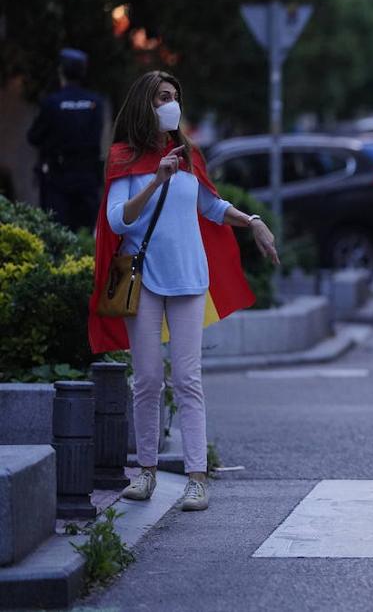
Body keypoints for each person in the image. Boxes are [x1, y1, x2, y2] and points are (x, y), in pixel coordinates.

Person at [88, 71, 278, 512]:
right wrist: (155, 178)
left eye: (175, 97)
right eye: (162, 98)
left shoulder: (189, 155)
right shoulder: (123, 157)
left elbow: (210, 206)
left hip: (190, 278)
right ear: (145, 105)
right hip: (145, 279)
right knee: (149, 380)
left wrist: (252, 221)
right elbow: (118, 220)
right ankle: (148, 472)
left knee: (189, 379)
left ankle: (197, 478)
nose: (171, 105)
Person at [26, 48, 107, 231]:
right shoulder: (95, 102)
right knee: (85, 233)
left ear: (61, 71)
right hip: (87, 177)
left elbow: (33, 137)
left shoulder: (52, 102)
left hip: (58, 178)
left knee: (57, 232)